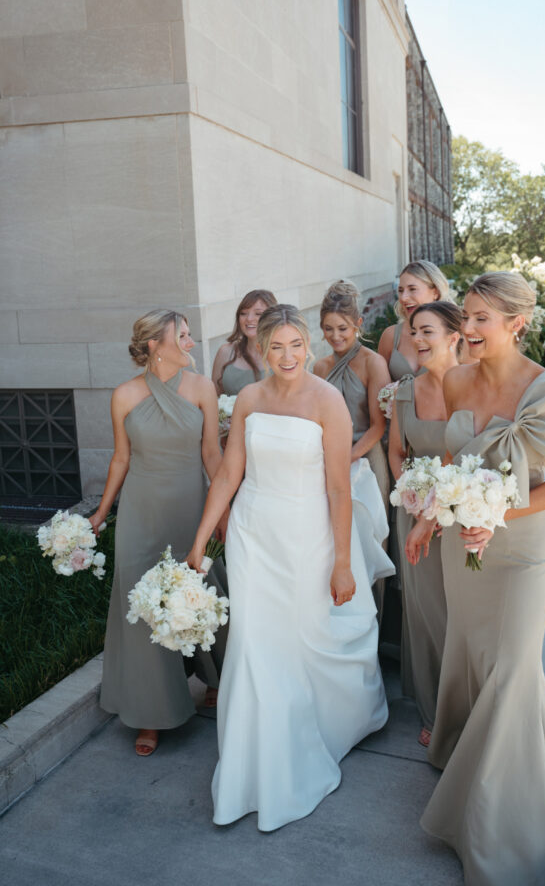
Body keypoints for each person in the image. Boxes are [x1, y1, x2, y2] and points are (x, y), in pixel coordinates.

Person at [406, 272, 545, 886]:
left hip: (523, 553)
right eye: (469, 317)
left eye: (484, 318)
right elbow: (455, 461)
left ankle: (502, 832)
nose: (471, 329)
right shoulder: (455, 380)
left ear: (516, 323)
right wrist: (432, 519)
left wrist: (497, 513)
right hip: (463, 552)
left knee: (512, 670)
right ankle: (469, 771)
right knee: (475, 657)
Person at [186, 304, 388, 831]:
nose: (287, 355)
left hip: (307, 536)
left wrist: (343, 563)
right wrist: (203, 538)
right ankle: (250, 764)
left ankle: (313, 736)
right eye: (276, 346)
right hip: (254, 533)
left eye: (295, 344)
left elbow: (340, 488)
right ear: (262, 348)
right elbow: (230, 473)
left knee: (300, 639)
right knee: (254, 643)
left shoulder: (329, 402)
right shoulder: (250, 398)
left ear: (309, 344)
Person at [90, 310, 227, 757]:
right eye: (182, 336)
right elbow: (120, 459)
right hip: (140, 515)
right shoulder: (124, 395)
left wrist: (223, 511)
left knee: (202, 592)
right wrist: (101, 513)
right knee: (142, 607)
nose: (191, 342)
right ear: (154, 345)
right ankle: (152, 713)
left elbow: (212, 455)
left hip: (191, 508)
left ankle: (211, 677)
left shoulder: (203, 387)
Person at [388, 300, 462, 747]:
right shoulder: (403, 390)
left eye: (428, 332)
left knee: (460, 612)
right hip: (413, 511)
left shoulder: (471, 388)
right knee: (426, 610)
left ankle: (467, 707)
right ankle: (435, 710)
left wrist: (435, 506)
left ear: (454, 336)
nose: (417, 340)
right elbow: (397, 451)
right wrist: (412, 494)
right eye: (414, 331)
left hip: (459, 512)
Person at [313, 281, 394, 610]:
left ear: (358, 325)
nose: (336, 336)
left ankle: (374, 614)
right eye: (328, 329)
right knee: (331, 537)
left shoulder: (373, 363)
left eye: (343, 328)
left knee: (371, 536)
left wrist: (350, 456)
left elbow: (379, 425)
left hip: (366, 457)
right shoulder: (319, 367)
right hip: (327, 460)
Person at [378, 260, 452, 380]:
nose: (403, 298)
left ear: (435, 292)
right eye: (400, 290)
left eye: (412, 289)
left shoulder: (455, 335)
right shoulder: (390, 336)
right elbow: (381, 390)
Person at [211, 290, 277, 396]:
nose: (249, 319)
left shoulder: (282, 354)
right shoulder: (225, 352)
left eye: (258, 314)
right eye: (243, 313)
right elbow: (214, 398)